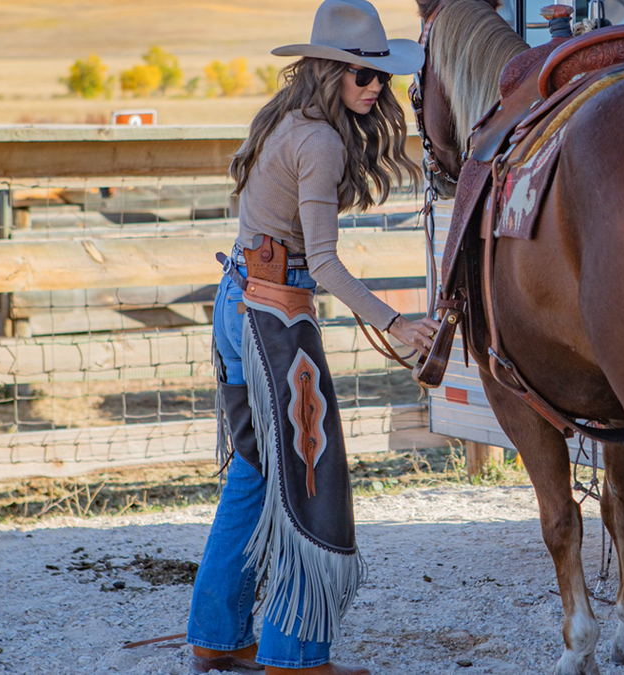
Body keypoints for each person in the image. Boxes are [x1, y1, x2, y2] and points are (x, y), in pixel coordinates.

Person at [186, 1, 438, 673]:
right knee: (309, 474)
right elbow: (322, 262)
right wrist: (397, 322)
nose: (375, 88)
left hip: (239, 300)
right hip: (275, 315)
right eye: (362, 75)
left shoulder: (286, 120)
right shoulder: (322, 142)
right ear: (330, 70)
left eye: (379, 77)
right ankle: (294, 653)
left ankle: (217, 634)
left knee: (256, 467)